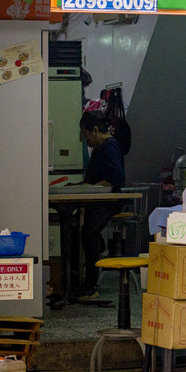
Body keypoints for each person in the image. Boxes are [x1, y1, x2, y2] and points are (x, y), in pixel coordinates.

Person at [74, 111, 125, 300]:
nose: (84, 138)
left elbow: (115, 177)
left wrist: (92, 186)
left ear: (94, 131)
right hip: (98, 201)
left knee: (89, 234)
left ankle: (91, 284)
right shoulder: (100, 147)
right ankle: (82, 281)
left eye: (85, 133)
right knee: (83, 232)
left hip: (108, 203)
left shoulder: (109, 147)